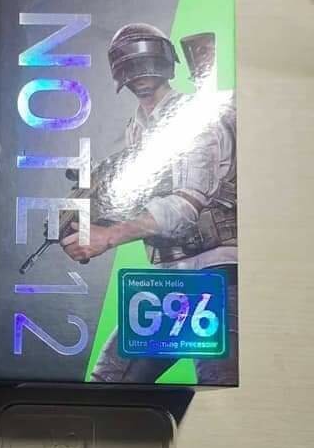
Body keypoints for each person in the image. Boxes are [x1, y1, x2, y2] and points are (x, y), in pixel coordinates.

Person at [60, 23, 238, 384]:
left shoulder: (194, 117)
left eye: (148, 67)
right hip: (173, 279)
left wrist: (108, 237)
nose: (141, 78)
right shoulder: (138, 128)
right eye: (132, 70)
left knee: (219, 387)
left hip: (217, 275)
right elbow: (143, 196)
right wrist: (94, 209)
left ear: (166, 65)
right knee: (110, 381)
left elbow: (186, 205)